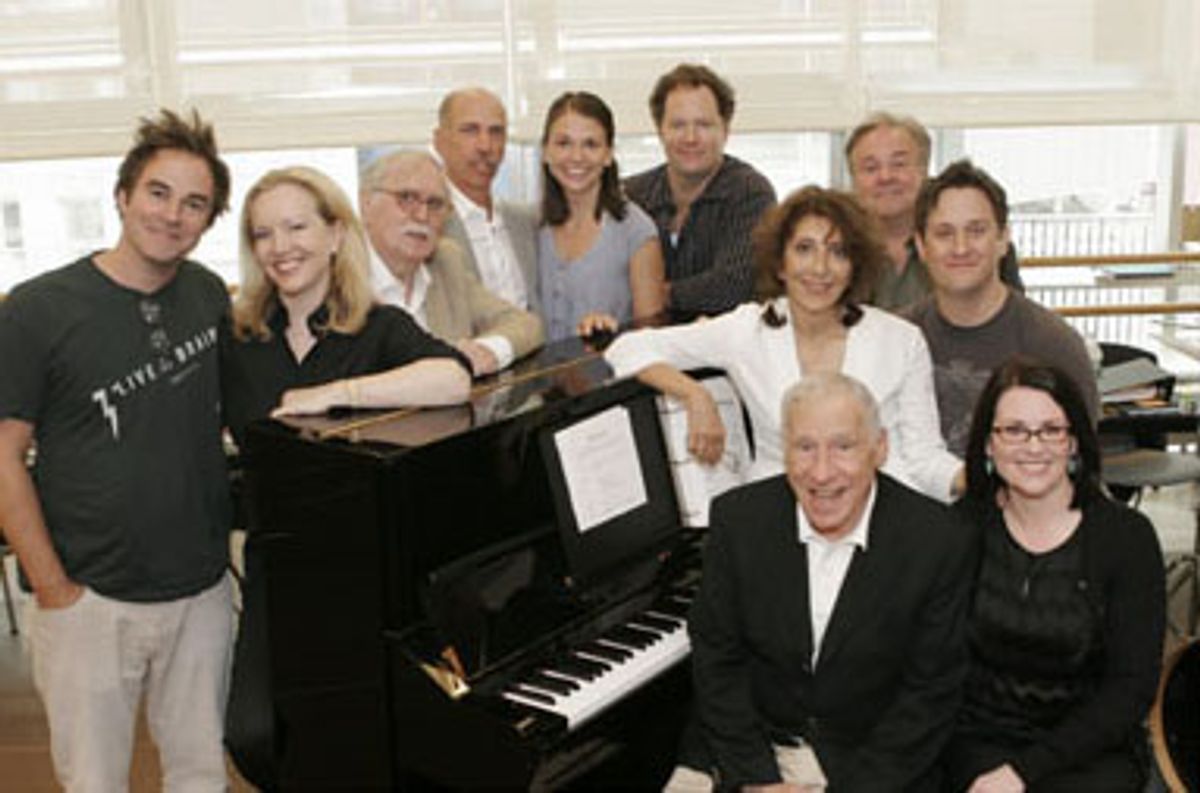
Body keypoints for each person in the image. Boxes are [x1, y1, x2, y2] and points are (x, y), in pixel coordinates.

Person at [0, 109, 236, 791]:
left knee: (199, 773)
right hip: (89, 599)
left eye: (195, 203)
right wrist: (53, 587)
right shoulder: (37, 308)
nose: (172, 214)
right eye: (158, 193)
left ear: (209, 219)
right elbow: (4, 455)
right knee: (95, 781)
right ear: (123, 195)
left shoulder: (208, 295)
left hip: (202, 591)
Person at [221, 165, 470, 789]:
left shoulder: (378, 327)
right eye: (264, 234)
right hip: (278, 576)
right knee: (256, 737)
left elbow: (452, 378)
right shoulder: (239, 337)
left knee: (358, 745)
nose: (282, 247)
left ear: (336, 233)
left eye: (297, 226)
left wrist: (334, 394)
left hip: (364, 579)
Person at [681, 372, 972, 790]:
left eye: (843, 447)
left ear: (879, 449)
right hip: (751, 751)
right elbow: (716, 659)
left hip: (872, 767)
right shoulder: (738, 520)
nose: (821, 473)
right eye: (804, 447)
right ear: (784, 452)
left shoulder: (938, 541)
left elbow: (929, 697)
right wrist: (758, 779)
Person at [605, 185, 963, 502]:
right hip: (778, 514)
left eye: (838, 252)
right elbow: (626, 349)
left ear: (855, 266)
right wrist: (694, 395)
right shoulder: (747, 330)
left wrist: (984, 481)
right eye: (804, 249)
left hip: (883, 512)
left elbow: (924, 458)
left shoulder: (900, 339)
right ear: (780, 263)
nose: (820, 268)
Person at [946, 357, 1164, 792]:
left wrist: (1023, 773)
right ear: (988, 444)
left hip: (1088, 750)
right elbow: (934, 663)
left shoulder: (1125, 538)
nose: (1033, 446)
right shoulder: (960, 529)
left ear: (1074, 443)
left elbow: (1130, 688)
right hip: (976, 744)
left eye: (1051, 429)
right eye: (1013, 430)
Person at [903, 160, 1099, 458]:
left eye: (976, 230)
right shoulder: (898, 338)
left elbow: (1080, 461)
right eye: (944, 233)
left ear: (1003, 239)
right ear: (921, 246)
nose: (960, 248)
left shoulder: (1054, 345)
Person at [361, 150, 544, 377]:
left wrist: (484, 351)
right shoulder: (333, 275)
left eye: (436, 204)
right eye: (406, 198)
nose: (421, 215)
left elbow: (525, 324)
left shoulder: (446, 261)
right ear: (366, 202)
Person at [625, 63, 776, 320]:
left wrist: (655, 293)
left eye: (704, 125)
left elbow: (733, 286)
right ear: (660, 131)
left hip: (723, 351)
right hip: (644, 345)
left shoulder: (751, 193)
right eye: (678, 125)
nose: (690, 138)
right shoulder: (630, 196)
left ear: (725, 130)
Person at [845, 112, 1022, 311]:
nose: (885, 177)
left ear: (924, 169)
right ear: (853, 179)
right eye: (870, 168)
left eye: (899, 164)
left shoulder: (977, 247)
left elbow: (1010, 320)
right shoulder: (838, 251)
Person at [537, 90, 666, 341]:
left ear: (608, 155)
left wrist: (610, 335)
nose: (576, 156)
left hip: (610, 375)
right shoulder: (531, 224)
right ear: (546, 151)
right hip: (539, 378)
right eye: (564, 143)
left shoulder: (637, 231)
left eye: (591, 144)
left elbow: (652, 339)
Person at [433, 87, 539, 311]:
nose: (485, 146)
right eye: (470, 130)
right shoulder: (428, 226)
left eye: (496, 132)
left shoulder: (526, 221)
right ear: (440, 142)